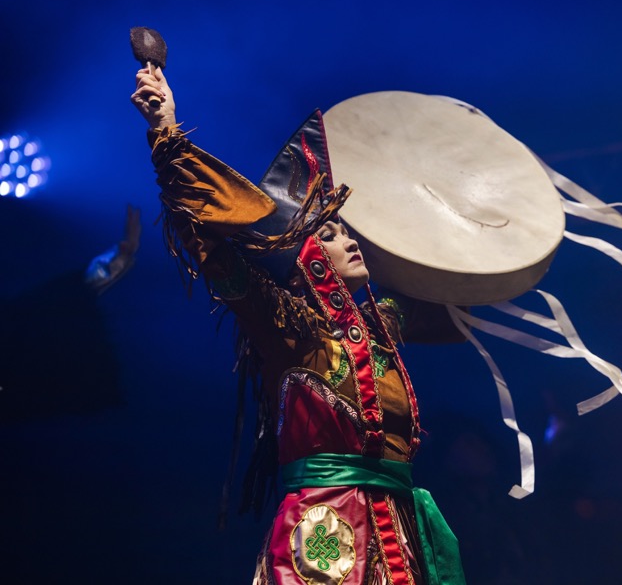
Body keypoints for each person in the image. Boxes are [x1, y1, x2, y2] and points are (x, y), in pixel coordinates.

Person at [132, 67, 466, 585]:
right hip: (326, 539)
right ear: (301, 262)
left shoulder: (379, 328)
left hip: (399, 534)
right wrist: (164, 128)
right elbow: (208, 245)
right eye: (331, 234)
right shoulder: (286, 328)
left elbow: (449, 298)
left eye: (348, 232)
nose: (351, 241)